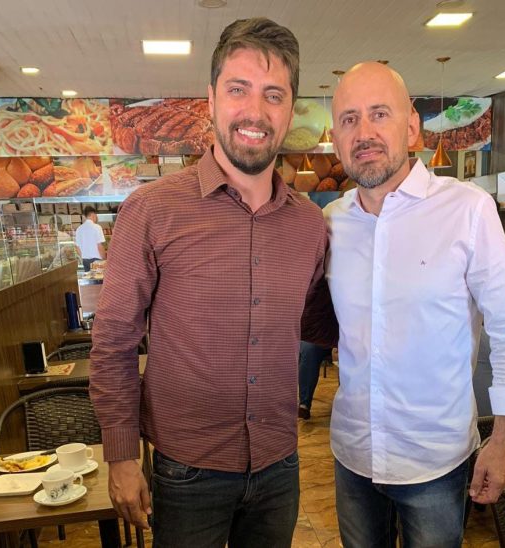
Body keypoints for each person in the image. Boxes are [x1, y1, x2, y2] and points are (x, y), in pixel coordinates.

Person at [90, 18, 334, 547]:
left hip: (279, 466)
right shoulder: (151, 210)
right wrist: (122, 456)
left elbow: (321, 323)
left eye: (273, 95)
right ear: (211, 99)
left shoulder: (310, 224)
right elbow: (113, 342)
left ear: (291, 109)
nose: (255, 111)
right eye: (238, 89)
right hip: (186, 472)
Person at [324, 62, 505, 547]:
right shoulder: (331, 222)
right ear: (335, 139)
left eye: (380, 114)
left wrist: (502, 440)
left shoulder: (468, 209)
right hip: (352, 455)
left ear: (412, 127)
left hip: (435, 461)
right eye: (350, 119)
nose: (364, 132)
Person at [298, 341, 331, 420]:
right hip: (317, 339)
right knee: (309, 348)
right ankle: (304, 405)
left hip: (346, 338)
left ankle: (349, 404)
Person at [74, 205, 106, 271]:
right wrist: (104, 259)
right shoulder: (97, 227)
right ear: (93, 215)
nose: (96, 217)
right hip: (97, 261)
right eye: (96, 215)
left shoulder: (79, 229)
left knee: (89, 277)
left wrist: (84, 257)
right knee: (99, 277)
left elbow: (77, 247)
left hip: (85, 261)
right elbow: (99, 246)